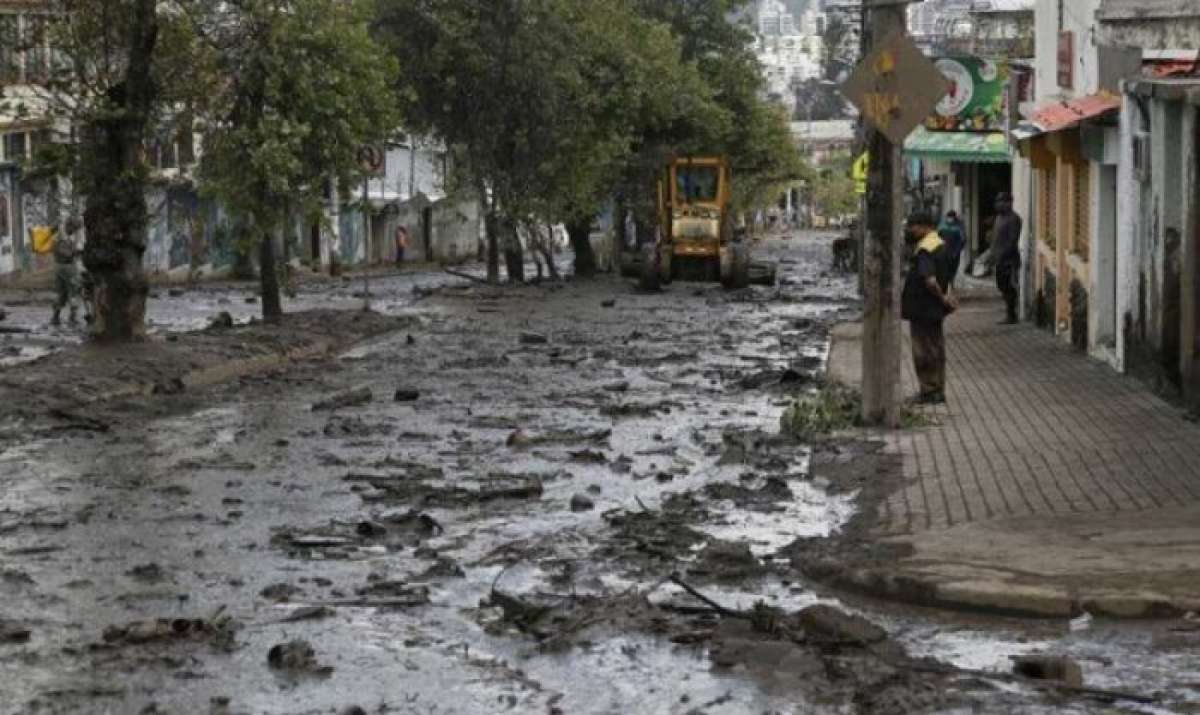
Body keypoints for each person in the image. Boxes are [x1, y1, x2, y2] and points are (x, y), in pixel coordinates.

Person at [901, 211, 957, 405]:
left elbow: (930, 280)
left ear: (924, 226)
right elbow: (947, 275)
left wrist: (943, 298)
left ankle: (929, 391)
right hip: (933, 310)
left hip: (923, 308)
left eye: (912, 226)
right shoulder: (940, 244)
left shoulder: (925, 248)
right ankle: (937, 390)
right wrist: (947, 297)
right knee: (936, 348)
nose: (909, 230)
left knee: (923, 351)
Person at [991, 193, 1023, 324]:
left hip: (1009, 260)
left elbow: (1012, 240)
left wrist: (1003, 255)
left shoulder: (1014, 219)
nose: (998, 205)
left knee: (1009, 286)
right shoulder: (999, 218)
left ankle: (1011, 314)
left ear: (1009, 203)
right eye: (997, 202)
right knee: (1001, 285)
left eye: (1001, 202)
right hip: (999, 259)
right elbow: (996, 238)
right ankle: (1009, 313)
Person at [50, 218, 82, 327]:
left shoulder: (60, 236)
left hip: (59, 267)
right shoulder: (62, 238)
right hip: (67, 267)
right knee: (73, 291)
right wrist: (76, 251)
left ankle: (56, 316)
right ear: (69, 226)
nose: (74, 231)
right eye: (74, 229)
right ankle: (72, 317)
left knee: (61, 293)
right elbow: (66, 254)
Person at [938, 210, 966, 287]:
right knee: (944, 269)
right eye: (948, 217)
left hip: (954, 253)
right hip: (943, 252)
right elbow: (937, 238)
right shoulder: (942, 226)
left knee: (953, 269)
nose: (949, 219)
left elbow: (962, 240)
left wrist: (956, 251)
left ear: (954, 217)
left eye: (951, 217)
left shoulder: (959, 226)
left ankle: (951, 283)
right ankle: (946, 284)